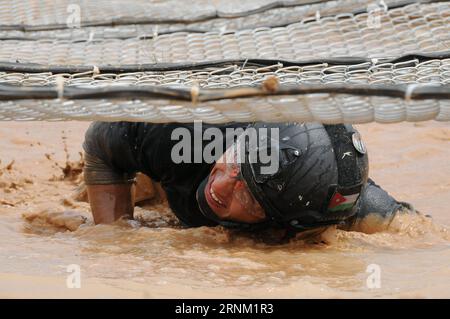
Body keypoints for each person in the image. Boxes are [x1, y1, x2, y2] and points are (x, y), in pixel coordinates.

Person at [82, 121, 414, 240]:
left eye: (250, 197)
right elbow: (101, 139)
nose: (221, 187)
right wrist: (114, 233)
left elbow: (415, 233)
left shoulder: (331, 205)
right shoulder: (179, 138)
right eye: (237, 162)